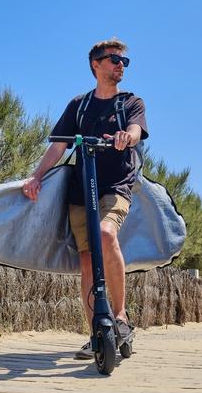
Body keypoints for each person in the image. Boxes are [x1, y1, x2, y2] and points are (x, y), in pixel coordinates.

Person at [22, 38, 148, 360]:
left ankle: (119, 318)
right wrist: (36, 176)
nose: (120, 65)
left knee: (106, 235)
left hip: (115, 187)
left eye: (124, 62)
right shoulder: (79, 105)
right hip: (81, 190)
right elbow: (59, 145)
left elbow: (135, 131)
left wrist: (126, 137)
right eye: (114, 60)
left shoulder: (130, 103)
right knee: (87, 262)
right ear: (96, 64)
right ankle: (96, 331)